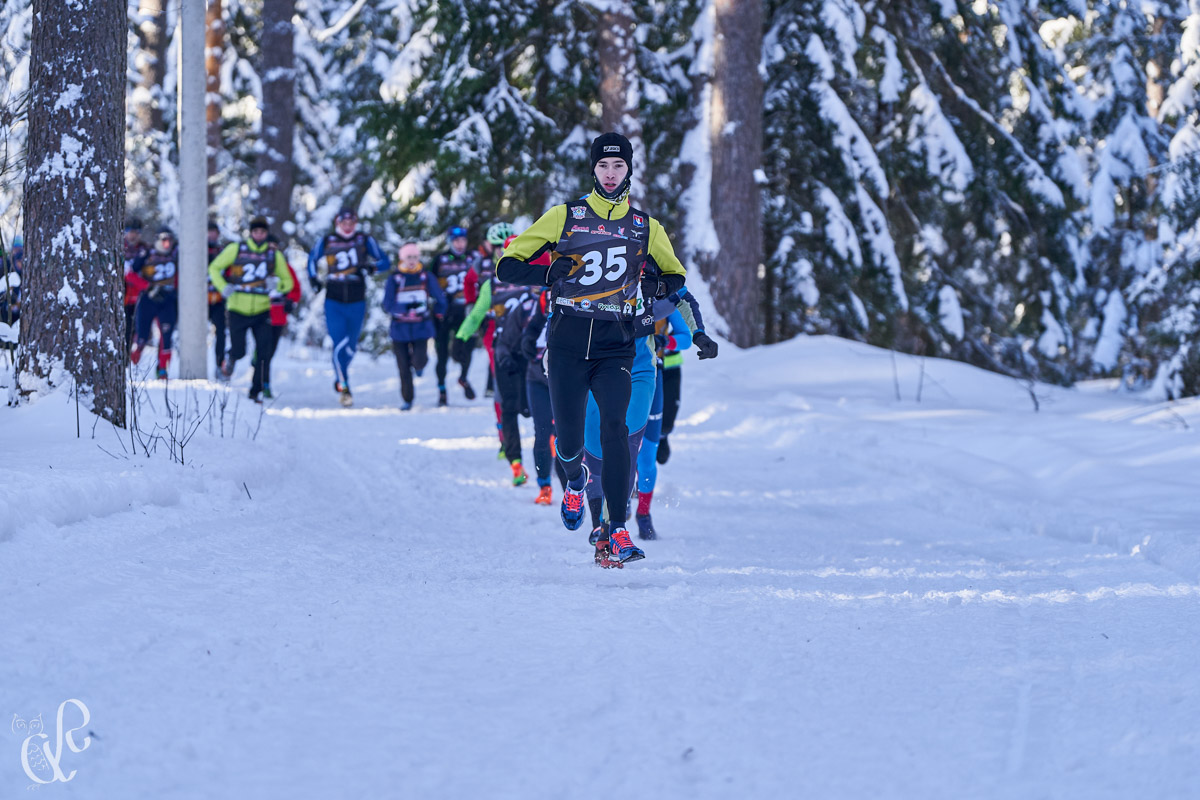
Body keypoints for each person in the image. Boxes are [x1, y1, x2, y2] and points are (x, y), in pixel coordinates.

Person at [496, 131, 686, 565]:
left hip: (615, 343)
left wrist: (656, 283)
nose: (611, 174)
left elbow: (676, 276)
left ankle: (616, 529)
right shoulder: (566, 216)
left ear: (629, 170)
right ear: (593, 169)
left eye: (618, 166)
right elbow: (507, 264)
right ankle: (576, 483)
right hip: (566, 341)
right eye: (604, 166)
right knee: (568, 441)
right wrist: (548, 274)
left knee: (616, 429)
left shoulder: (644, 226)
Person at [307, 207, 389, 407]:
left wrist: (371, 267)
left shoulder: (364, 240)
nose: (348, 226)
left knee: (351, 345)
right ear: (337, 222)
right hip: (334, 298)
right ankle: (344, 385)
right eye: (344, 222)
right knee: (339, 343)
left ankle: (340, 374)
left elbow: (385, 262)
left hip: (357, 298)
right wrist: (314, 279)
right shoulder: (327, 241)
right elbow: (312, 260)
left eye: (351, 222)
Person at [207, 216, 294, 391]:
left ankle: (256, 391)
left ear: (267, 233)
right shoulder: (237, 249)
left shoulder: (274, 255)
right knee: (240, 350)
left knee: (264, 351)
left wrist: (277, 284)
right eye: (256, 231)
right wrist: (223, 287)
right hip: (237, 307)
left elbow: (288, 282)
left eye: (262, 232)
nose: (259, 235)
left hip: (262, 310)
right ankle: (231, 357)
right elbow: (214, 268)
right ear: (251, 233)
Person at [382, 242, 446, 409]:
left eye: (415, 257)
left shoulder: (425, 276)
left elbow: (439, 296)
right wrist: (404, 309)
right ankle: (407, 399)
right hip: (400, 329)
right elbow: (387, 304)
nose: (412, 260)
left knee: (419, 360)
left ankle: (419, 367)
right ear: (402, 258)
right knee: (403, 367)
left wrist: (440, 311)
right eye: (408, 257)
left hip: (421, 327)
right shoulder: (395, 278)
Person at [520, 288, 569, 505]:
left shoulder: (579, 292)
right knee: (541, 432)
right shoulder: (540, 299)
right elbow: (529, 328)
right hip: (537, 378)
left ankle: (570, 491)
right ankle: (544, 486)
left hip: (564, 379)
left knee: (565, 436)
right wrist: (527, 341)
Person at [249, 236, 302, 401]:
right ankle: (262, 384)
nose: (271, 250)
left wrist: (290, 302)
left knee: (269, 354)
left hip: (278, 317)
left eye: (274, 247)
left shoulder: (285, 268)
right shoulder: (256, 266)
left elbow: (295, 289)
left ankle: (263, 379)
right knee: (263, 352)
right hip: (260, 314)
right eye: (268, 247)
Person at [429, 224, 477, 405]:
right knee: (441, 352)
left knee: (468, 346)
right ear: (450, 241)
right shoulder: (440, 260)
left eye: (463, 240)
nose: (459, 244)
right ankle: (441, 389)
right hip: (444, 312)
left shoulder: (473, 258)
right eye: (456, 240)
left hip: (466, 311)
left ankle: (463, 377)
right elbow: (429, 283)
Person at [131, 227, 180, 379]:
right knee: (142, 335)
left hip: (167, 300)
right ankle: (133, 359)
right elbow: (129, 273)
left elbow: (182, 273)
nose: (167, 244)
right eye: (164, 240)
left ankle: (163, 369)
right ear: (157, 240)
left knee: (167, 335)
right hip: (148, 299)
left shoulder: (176, 254)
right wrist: (147, 287)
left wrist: (175, 291)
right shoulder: (147, 253)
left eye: (170, 240)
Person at [122, 220, 150, 351]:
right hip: (123, 296)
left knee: (137, 330)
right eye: (130, 232)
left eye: (136, 233)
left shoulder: (145, 249)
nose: (133, 236)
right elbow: (126, 272)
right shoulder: (120, 246)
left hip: (139, 297)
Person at [207, 221, 228, 373]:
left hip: (218, 300)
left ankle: (219, 364)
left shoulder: (223, 251)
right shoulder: (198, 249)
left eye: (214, 232)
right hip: (201, 300)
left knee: (221, 332)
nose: (212, 235)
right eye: (209, 231)